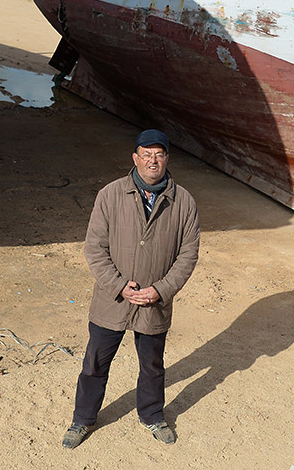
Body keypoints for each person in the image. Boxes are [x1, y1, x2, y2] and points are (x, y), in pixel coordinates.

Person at [61, 128, 201, 449]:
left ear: (167, 159)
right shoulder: (110, 195)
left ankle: (152, 415)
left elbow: (188, 255)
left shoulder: (184, 203)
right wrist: (120, 286)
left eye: (159, 154)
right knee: (95, 363)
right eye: (147, 154)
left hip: (154, 303)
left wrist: (161, 290)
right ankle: (82, 420)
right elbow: (94, 248)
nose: (153, 160)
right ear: (135, 158)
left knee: (152, 365)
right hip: (112, 301)